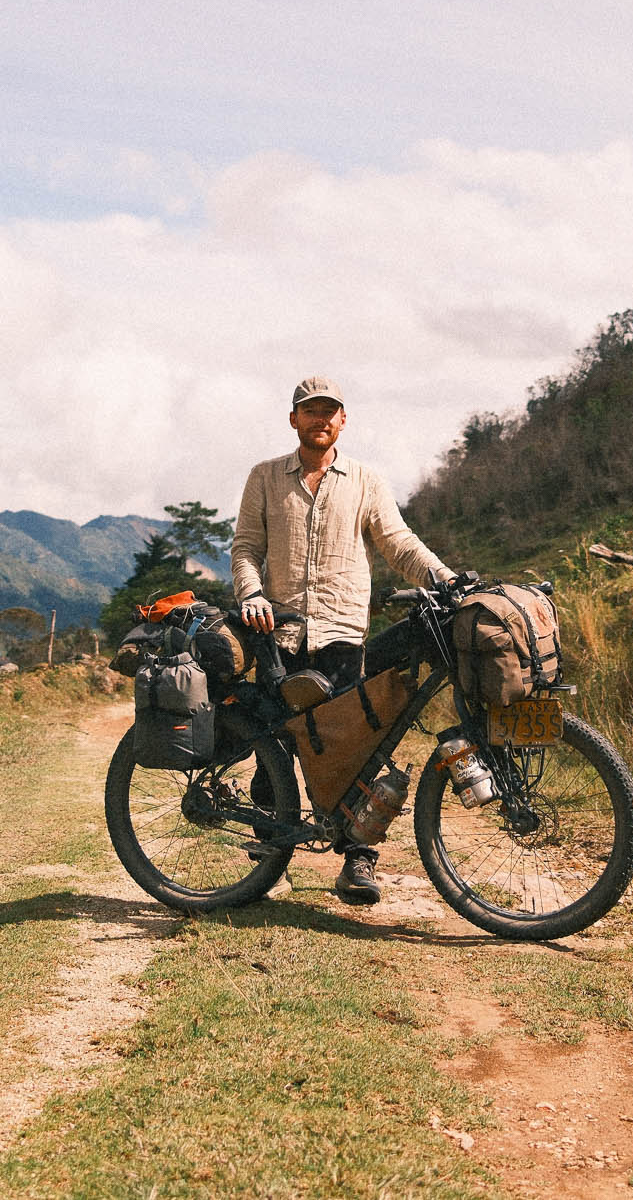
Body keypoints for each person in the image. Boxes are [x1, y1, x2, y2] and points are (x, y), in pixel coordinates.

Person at [232, 375, 452, 905]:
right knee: (273, 747)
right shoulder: (264, 477)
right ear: (294, 420)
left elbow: (398, 543)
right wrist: (251, 594)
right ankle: (270, 853)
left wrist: (444, 579)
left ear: (343, 419)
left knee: (357, 745)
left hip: (343, 633)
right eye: (310, 411)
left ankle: (358, 861)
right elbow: (245, 548)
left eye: (330, 410)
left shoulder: (366, 481)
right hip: (278, 631)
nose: (321, 419)